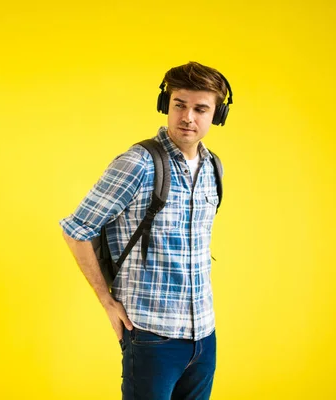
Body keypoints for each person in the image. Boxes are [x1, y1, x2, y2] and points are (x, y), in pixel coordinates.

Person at [59, 61, 231, 400]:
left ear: (217, 114)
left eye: (200, 108)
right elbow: (77, 229)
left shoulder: (214, 167)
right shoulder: (138, 163)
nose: (187, 117)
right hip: (152, 336)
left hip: (204, 335)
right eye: (179, 105)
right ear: (166, 104)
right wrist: (107, 301)